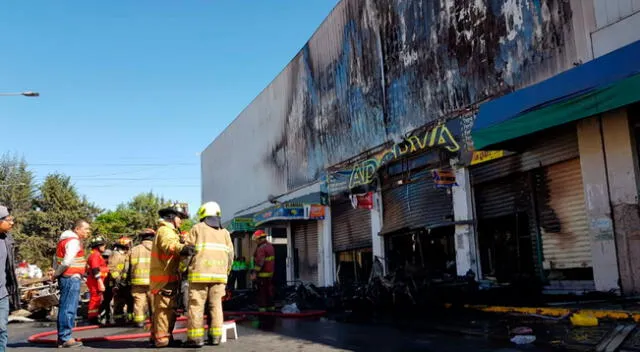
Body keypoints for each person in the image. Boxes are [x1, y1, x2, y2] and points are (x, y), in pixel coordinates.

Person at [184, 202, 233, 347]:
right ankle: (215, 337)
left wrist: (183, 269)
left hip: (199, 276)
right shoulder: (225, 233)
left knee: (196, 306)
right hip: (219, 277)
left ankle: (195, 339)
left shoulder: (197, 229)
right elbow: (231, 256)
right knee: (216, 306)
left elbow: (187, 252)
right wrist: (226, 273)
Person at [150, 204, 194, 348]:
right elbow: (169, 245)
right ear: (171, 217)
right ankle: (162, 340)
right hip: (164, 279)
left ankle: (161, 336)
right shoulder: (165, 230)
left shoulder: (170, 231)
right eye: (179, 217)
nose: (181, 221)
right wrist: (183, 248)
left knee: (168, 309)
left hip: (168, 277)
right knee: (164, 310)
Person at [53, 219, 91, 348]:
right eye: (85, 229)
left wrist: (56, 273)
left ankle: (63, 337)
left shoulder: (63, 241)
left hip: (68, 277)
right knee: (69, 308)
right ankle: (65, 338)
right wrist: (57, 273)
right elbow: (67, 261)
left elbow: (57, 259)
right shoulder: (73, 241)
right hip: (70, 277)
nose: (88, 232)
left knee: (66, 306)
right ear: (77, 229)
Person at [0, 206, 20, 352]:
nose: (12, 223)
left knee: (2, 329)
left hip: (2, 293)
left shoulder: (7, 239)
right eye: (8, 220)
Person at [129, 228, 155, 328]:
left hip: (137, 281)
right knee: (154, 302)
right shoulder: (156, 249)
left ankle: (139, 322)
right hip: (153, 281)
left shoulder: (134, 250)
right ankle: (155, 320)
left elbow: (127, 267)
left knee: (138, 302)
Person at [86, 235, 109, 325]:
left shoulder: (96, 255)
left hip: (96, 281)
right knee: (95, 299)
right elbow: (95, 269)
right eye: (103, 245)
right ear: (98, 246)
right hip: (95, 282)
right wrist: (100, 282)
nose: (104, 247)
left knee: (97, 298)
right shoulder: (95, 255)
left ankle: (94, 316)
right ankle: (93, 318)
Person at [251, 229, 275, 312]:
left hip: (262, 275)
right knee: (269, 291)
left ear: (260, 239)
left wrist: (254, 273)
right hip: (270, 274)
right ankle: (271, 308)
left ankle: (262, 310)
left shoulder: (261, 248)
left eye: (256, 240)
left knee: (262, 293)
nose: (255, 242)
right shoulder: (270, 246)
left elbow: (259, 263)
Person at [109, 236, 132, 324]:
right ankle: (118, 319)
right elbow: (112, 268)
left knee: (130, 300)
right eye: (128, 244)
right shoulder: (116, 254)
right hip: (118, 283)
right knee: (119, 301)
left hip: (125, 281)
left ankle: (130, 318)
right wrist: (118, 280)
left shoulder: (125, 254)